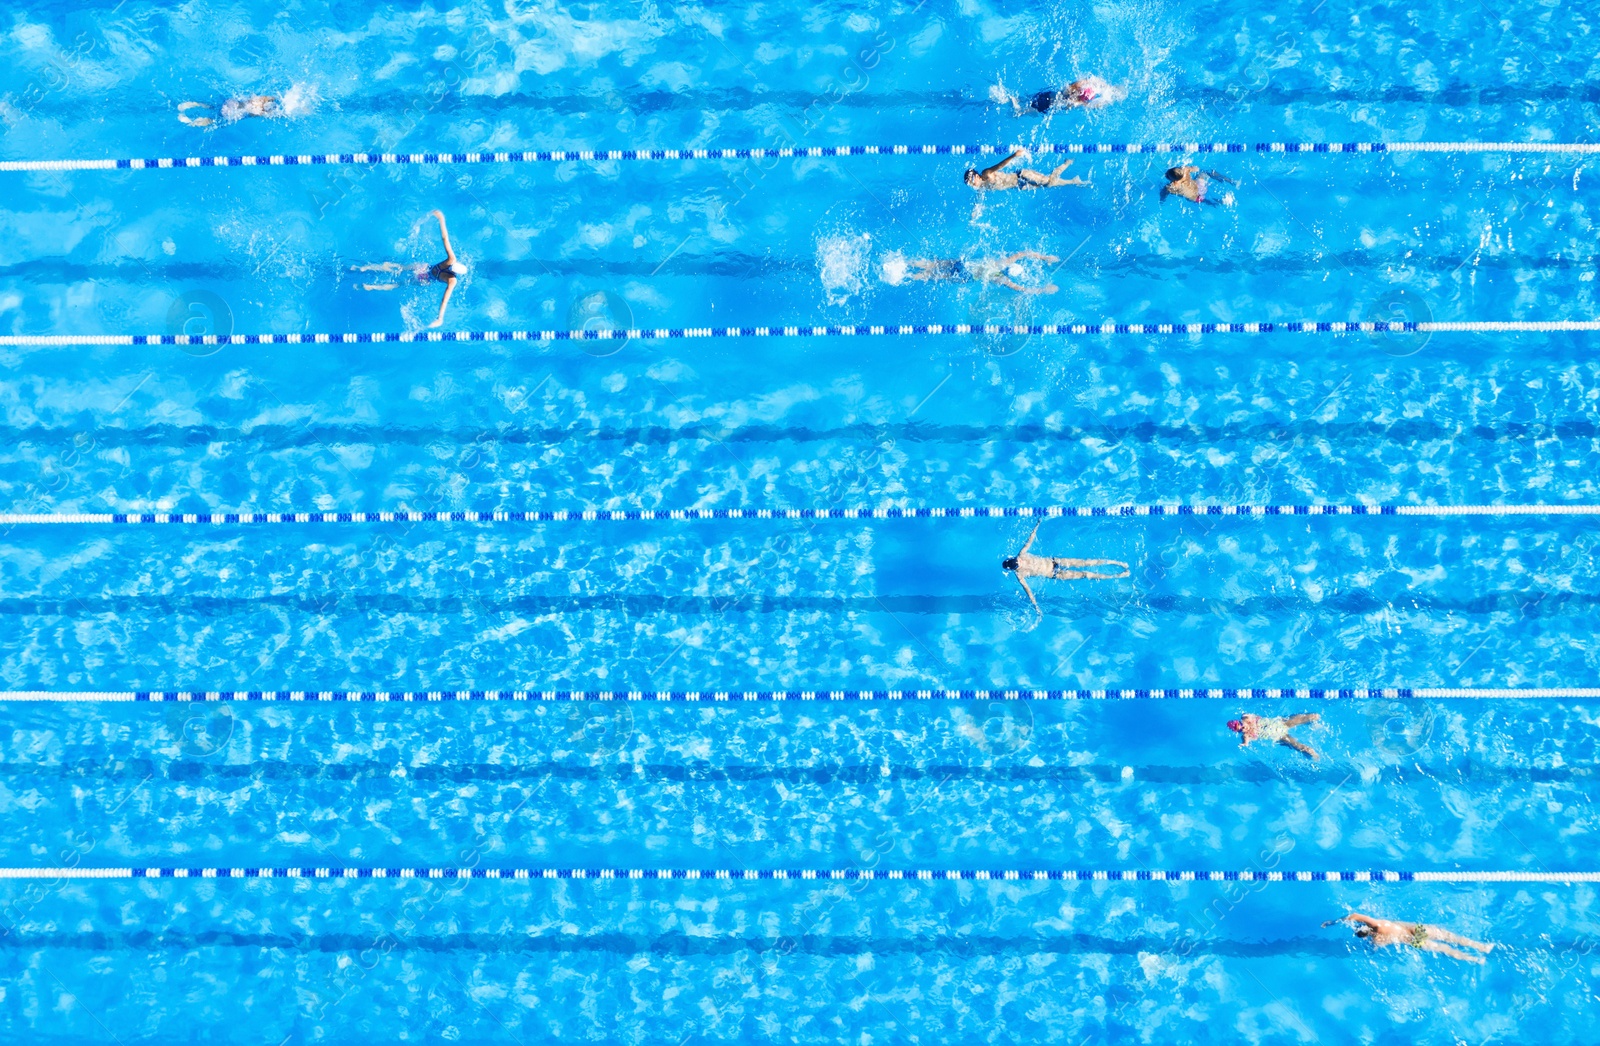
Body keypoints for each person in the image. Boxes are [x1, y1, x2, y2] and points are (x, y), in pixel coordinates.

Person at [352, 210, 467, 329]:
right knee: (399, 284)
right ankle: (372, 286)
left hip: (423, 267)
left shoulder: (451, 260)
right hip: (426, 279)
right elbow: (445, 299)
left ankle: (362, 267)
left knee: (398, 267)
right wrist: (440, 318)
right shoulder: (452, 280)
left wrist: (441, 220)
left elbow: (445, 239)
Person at [1003, 522, 1129, 612]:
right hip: (1055, 574)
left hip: (1056, 561)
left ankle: (1117, 563)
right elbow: (1028, 591)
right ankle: (1118, 575)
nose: (1020, 562)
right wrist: (1036, 606)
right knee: (1086, 574)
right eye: (1018, 564)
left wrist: (1037, 525)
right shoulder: (1020, 575)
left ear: (1013, 558)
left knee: (1087, 562)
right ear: (1015, 568)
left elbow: (1029, 540)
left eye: (1017, 560)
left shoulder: (1022, 554)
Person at [1323, 914, 1495, 965]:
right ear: (1367, 927)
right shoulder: (1379, 925)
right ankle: (1481, 947)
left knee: (1444, 949)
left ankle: (1475, 959)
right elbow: (1355, 915)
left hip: (1412, 941)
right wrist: (1334, 921)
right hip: (1415, 930)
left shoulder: (1377, 940)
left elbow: (1373, 951)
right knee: (1451, 938)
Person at [892, 251, 1059, 294]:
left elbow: (1024, 253)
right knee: (935, 275)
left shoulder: (1003, 261)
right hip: (966, 276)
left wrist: (1044, 257)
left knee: (933, 264)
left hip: (964, 264)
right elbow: (1022, 289)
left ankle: (903, 262)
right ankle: (907, 276)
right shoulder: (1002, 279)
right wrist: (1043, 290)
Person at [966, 149, 1088, 192]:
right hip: (1020, 186)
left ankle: (1067, 164)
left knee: (1049, 182)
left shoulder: (986, 174)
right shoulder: (982, 187)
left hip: (1022, 176)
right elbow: (979, 197)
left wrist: (1014, 155)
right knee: (1049, 184)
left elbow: (999, 166)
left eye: (971, 182)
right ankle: (1073, 180)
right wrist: (975, 211)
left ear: (976, 176)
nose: (972, 185)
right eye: (970, 185)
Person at [994, 76, 1126, 114]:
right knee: (1023, 111)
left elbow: (1083, 81)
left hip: (1049, 94)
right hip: (1049, 104)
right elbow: (1088, 106)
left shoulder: (1096, 82)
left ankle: (1008, 100)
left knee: (1028, 100)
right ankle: (1016, 108)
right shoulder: (1075, 102)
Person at [1227, 713, 1321, 760]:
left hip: (1280, 724)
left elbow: (1246, 715)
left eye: (1241, 724)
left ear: (1241, 721)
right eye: (1241, 729)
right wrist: (1244, 744)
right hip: (1279, 736)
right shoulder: (1246, 735)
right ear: (1239, 731)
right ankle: (1312, 753)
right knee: (1296, 745)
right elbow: (1246, 741)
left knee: (1309, 717)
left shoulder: (1247, 719)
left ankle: (1314, 719)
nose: (1244, 727)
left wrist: (1245, 716)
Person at [177, 95, 281, 127]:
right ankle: (192, 122)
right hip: (231, 114)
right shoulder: (257, 112)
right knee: (213, 120)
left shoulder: (256, 101)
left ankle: (194, 105)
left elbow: (268, 98)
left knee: (211, 107)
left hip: (230, 103)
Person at [1161, 164, 1236, 206]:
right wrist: (1190, 169)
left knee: (1207, 201)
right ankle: (1230, 181)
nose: (1166, 175)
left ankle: (1221, 202)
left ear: (1174, 181)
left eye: (1168, 175)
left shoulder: (1172, 186)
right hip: (1200, 186)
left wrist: (1162, 199)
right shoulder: (1185, 170)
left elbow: (1163, 194)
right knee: (1206, 172)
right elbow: (1196, 168)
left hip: (1197, 197)